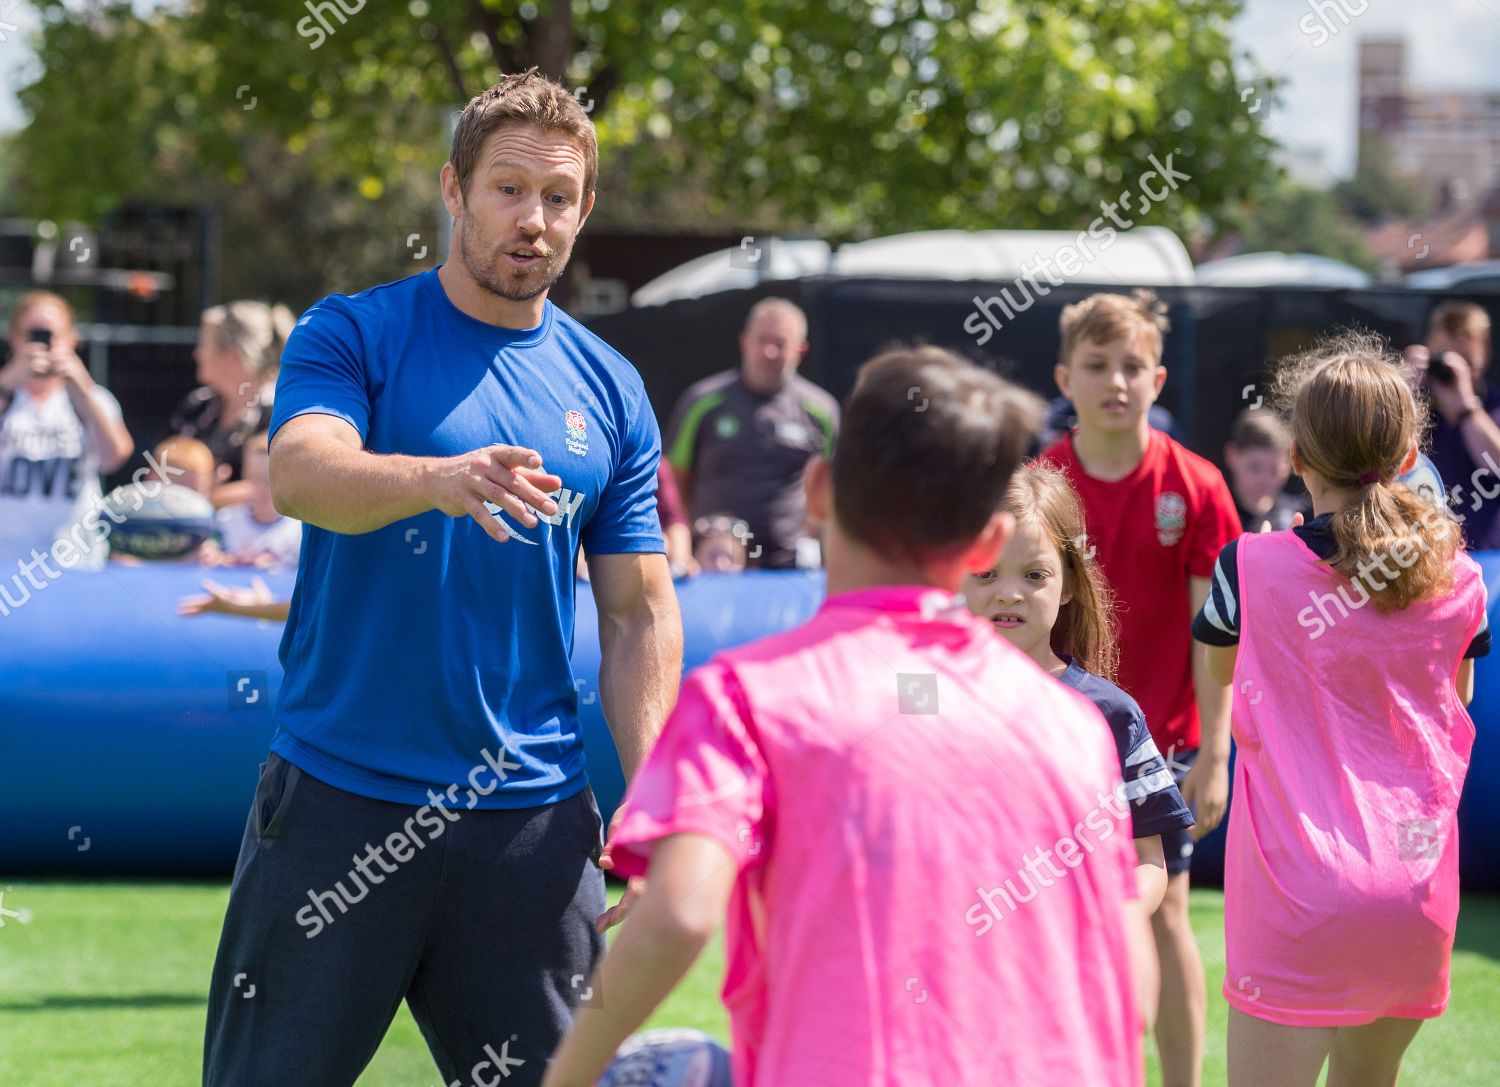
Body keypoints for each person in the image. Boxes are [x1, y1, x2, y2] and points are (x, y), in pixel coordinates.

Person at [202, 69, 683, 1087]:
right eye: (508, 188)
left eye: (558, 197)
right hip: (338, 804)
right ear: (454, 192)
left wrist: (656, 795)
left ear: (584, 211)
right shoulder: (353, 332)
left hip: (534, 831)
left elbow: (639, 613)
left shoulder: (612, 387)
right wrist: (439, 477)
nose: (534, 219)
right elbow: (300, 474)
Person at [545, 347, 1155, 1087]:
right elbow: (1125, 960)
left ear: (819, 490)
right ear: (989, 539)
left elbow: (675, 916)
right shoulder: (1074, 725)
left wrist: (568, 1074)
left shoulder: (749, 695)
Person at [1192, 333, 1489, 1087]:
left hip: (1299, 902)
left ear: (1298, 456)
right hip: (1416, 902)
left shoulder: (1248, 566)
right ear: (1405, 454)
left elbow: (1219, 672)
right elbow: (1457, 708)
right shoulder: (1460, 578)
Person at [1040, 289, 1240, 1087]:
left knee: (1163, 910)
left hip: (1164, 740)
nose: (1116, 381)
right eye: (1097, 366)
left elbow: (1216, 636)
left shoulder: (1196, 486)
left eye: (1132, 367)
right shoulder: (1037, 483)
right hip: (1050, 740)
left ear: (1159, 379)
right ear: (1065, 377)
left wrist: (1216, 748)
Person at [962, 461, 1194, 919]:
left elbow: (1149, 860)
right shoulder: (934, 704)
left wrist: (1112, 922)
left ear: (1068, 583)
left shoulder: (1110, 713)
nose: (1009, 593)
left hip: (1071, 970)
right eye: (988, 574)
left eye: (1034, 575)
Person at [663, 298, 838, 569]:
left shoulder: (821, 411)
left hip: (788, 566)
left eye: (780, 343)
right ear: (745, 341)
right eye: (762, 340)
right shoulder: (703, 402)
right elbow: (672, 481)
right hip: (717, 564)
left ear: (800, 350)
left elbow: (830, 490)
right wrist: (685, 549)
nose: (769, 352)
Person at [0, 291, 134, 571]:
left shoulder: (92, 399)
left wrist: (81, 387)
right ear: (14, 338)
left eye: (52, 336)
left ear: (72, 339)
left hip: (74, 565)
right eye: (33, 335)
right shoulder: (6, 393)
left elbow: (114, 458)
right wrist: (9, 380)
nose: (43, 346)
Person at [170, 300, 293, 507]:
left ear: (231, 356)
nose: (196, 353)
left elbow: (278, 488)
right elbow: (160, 470)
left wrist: (205, 495)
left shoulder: (280, 413)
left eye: (204, 345)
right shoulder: (197, 406)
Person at [1405, 301, 1500, 547]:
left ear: (1486, 353)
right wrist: (1403, 390)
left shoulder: (1494, 405)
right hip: (1422, 554)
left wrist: (1466, 408)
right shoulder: (1414, 406)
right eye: (1444, 360)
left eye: (1466, 361)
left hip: (1489, 556)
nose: (1455, 372)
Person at [213, 431, 301, 568]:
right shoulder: (224, 522)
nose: (262, 489)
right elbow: (208, 559)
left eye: (269, 481)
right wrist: (225, 560)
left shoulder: (299, 531)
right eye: (254, 479)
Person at [1223, 407, 1309, 533]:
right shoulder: (1216, 515)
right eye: (1255, 468)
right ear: (1232, 456)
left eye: (1274, 470)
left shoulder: (1301, 518)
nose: (1264, 479)